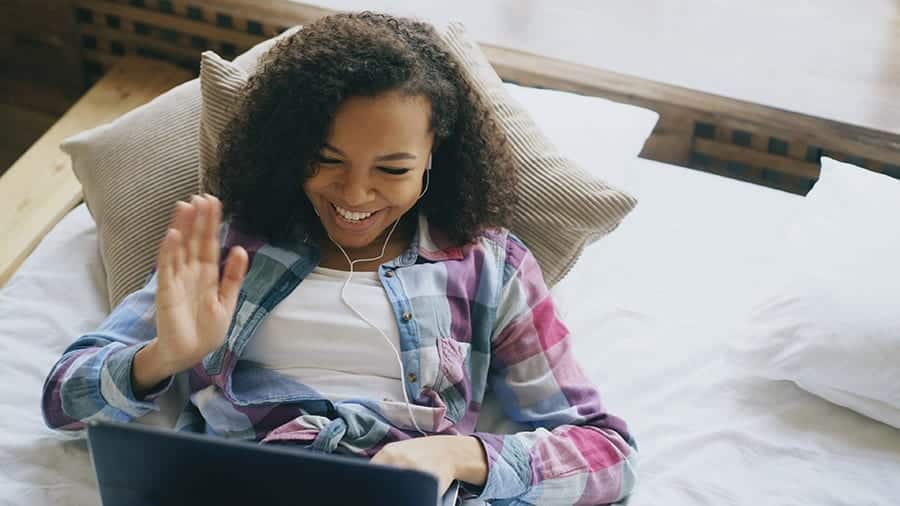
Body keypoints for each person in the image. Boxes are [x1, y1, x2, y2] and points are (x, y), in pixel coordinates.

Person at [41, 12, 637, 505]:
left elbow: (606, 455)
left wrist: (453, 455)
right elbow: (62, 400)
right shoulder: (229, 246)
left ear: (436, 157)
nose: (354, 195)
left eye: (392, 169)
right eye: (326, 160)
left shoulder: (490, 268)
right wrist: (160, 358)